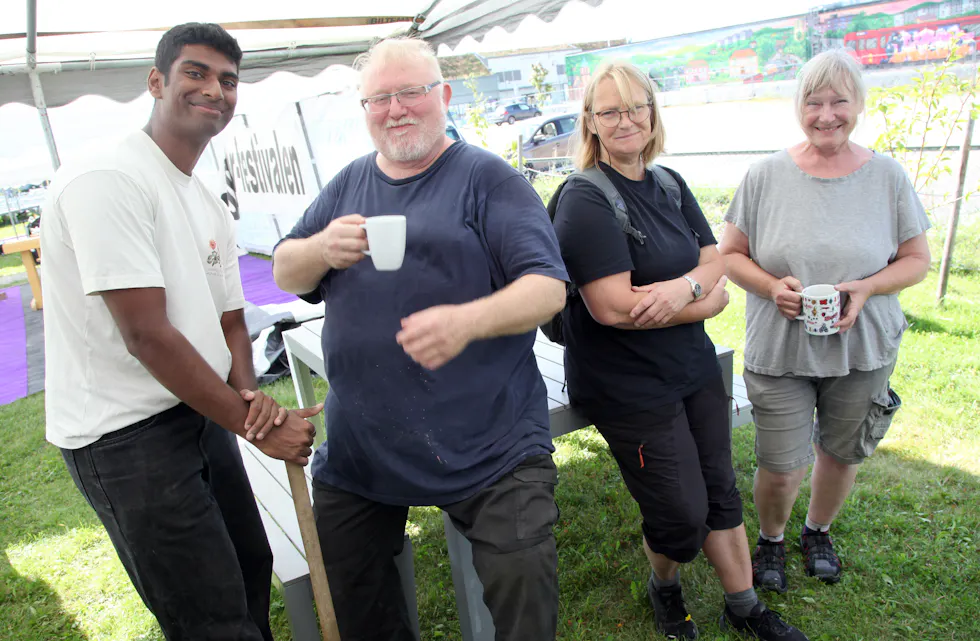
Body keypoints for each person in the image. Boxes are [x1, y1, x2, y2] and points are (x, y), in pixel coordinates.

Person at [272, 37, 568, 640]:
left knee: (523, 592)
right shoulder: (348, 185)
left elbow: (548, 288)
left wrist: (467, 321)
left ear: (444, 96)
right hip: (364, 447)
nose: (396, 108)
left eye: (411, 92)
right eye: (379, 98)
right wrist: (320, 248)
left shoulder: (489, 179)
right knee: (355, 597)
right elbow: (284, 270)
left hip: (491, 443)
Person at [41, 23, 320, 640]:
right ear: (156, 82)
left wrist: (251, 404)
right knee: (209, 617)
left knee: (249, 573)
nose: (214, 90)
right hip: (124, 438)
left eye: (227, 80)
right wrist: (257, 426)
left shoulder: (204, 197)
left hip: (196, 412)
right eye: (196, 73)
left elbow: (230, 322)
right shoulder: (108, 177)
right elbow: (147, 335)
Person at [552, 60, 808, 641]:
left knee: (719, 485)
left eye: (635, 106)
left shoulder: (667, 183)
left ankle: (744, 605)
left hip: (690, 366)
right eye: (609, 110)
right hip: (626, 384)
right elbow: (614, 308)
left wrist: (681, 289)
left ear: (652, 113)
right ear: (590, 121)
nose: (625, 120)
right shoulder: (585, 199)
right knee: (681, 515)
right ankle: (664, 584)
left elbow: (715, 262)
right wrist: (704, 298)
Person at [719, 50, 931, 594]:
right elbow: (731, 254)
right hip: (781, 348)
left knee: (840, 451)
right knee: (782, 463)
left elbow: (915, 259)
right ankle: (770, 540)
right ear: (798, 108)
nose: (826, 114)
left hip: (862, 346)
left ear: (858, 104)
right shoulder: (765, 174)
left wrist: (867, 287)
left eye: (839, 101)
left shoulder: (886, 176)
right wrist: (771, 287)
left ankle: (817, 531)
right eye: (813, 103)